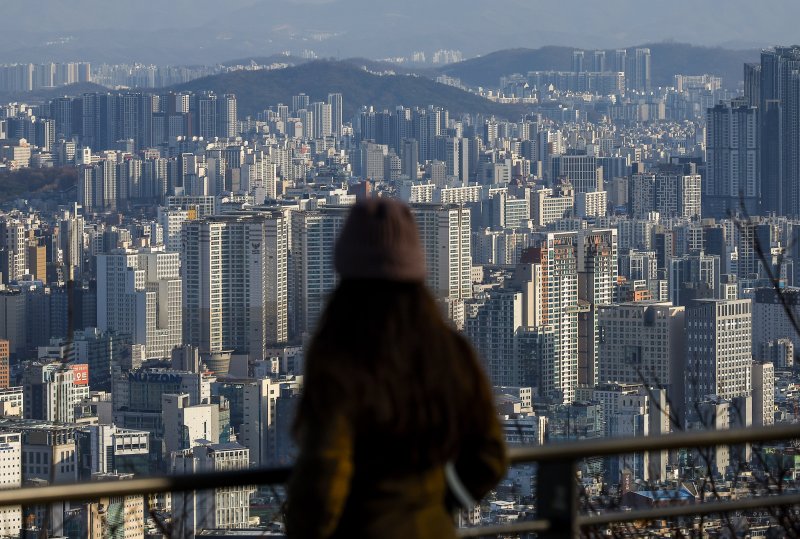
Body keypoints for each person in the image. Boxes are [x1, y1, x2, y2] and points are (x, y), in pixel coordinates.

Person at [286, 198, 507, 538]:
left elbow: (325, 471)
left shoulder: (342, 358)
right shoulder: (448, 350)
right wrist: (441, 504)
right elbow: (489, 454)